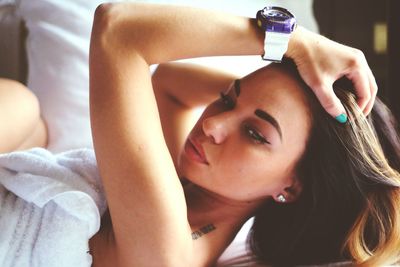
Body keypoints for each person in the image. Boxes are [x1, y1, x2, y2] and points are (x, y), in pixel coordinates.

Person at [0, 2, 398, 267]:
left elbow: (118, 29)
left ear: (291, 187)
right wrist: (277, 92)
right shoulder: (187, 199)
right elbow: (171, 83)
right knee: (23, 107)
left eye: (255, 134)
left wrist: (292, 41)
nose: (211, 124)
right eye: (226, 100)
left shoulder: (167, 248)